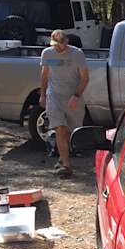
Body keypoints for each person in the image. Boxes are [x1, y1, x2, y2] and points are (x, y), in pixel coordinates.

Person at [39, 29, 89, 177]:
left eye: (60, 44)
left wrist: (76, 96)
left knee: (69, 131)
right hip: (54, 95)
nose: (58, 47)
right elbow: (44, 74)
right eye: (55, 45)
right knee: (60, 128)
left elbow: (85, 78)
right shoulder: (47, 53)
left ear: (66, 42)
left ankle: (62, 158)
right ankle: (67, 165)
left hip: (73, 97)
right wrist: (42, 94)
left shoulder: (77, 54)